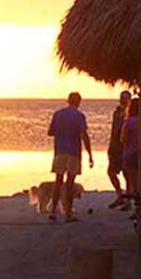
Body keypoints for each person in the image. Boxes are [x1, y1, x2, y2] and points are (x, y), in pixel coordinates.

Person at [46, 92, 93, 222]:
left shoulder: (58, 114)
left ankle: (53, 211)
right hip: (73, 152)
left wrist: (62, 131)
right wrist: (90, 154)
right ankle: (68, 214)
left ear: (68, 100)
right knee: (70, 184)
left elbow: (50, 132)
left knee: (58, 181)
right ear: (79, 102)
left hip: (60, 151)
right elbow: (84, 135)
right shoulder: (79, 116)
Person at [106, 90, 132, 208]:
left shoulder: (130, 114)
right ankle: (120, 194)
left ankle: (128, 200)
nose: (123, 100)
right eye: (122, 98)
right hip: (115, 147)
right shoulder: (117, 112)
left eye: (126, 98)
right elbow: (114, 130)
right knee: (111, 172)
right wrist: (111, 145)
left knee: (127, 174)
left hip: (125, 147)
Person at [118, 98, 141, 206]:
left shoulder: (129, 121)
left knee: (133, 182)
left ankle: (136, 206)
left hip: (131, 153)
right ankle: (138, 205)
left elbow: (123, 139)